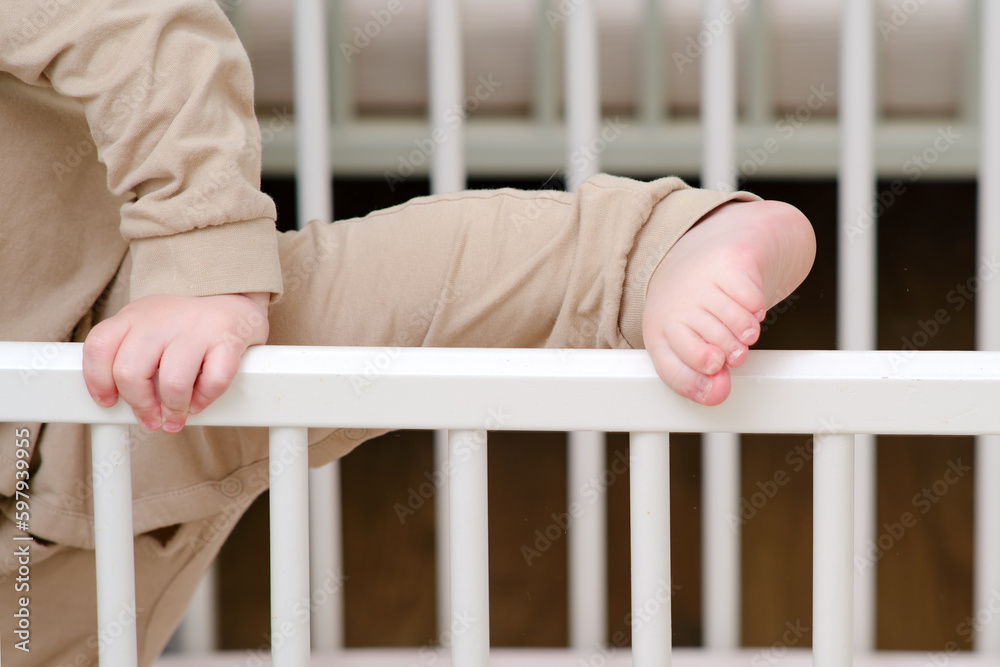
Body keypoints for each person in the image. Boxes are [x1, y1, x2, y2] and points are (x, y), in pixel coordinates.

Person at [0, 0, 815, 663]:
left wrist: (199, 252)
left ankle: (659, 244)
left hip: (119, 348)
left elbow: (128, 23)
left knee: (432, 289)